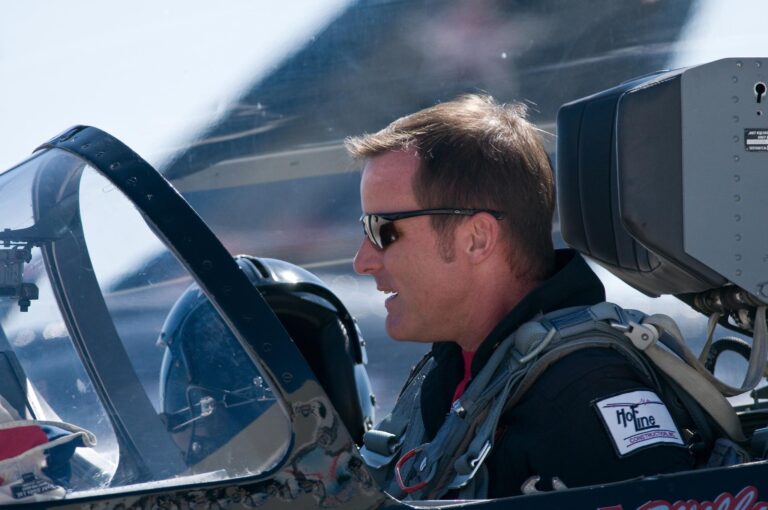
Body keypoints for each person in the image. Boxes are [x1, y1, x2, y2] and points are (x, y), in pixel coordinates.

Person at [346, 94, 699, 498]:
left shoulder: (584, 396)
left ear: (477, 239)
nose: (362, 261)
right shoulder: (450, 371)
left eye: (383, 231)